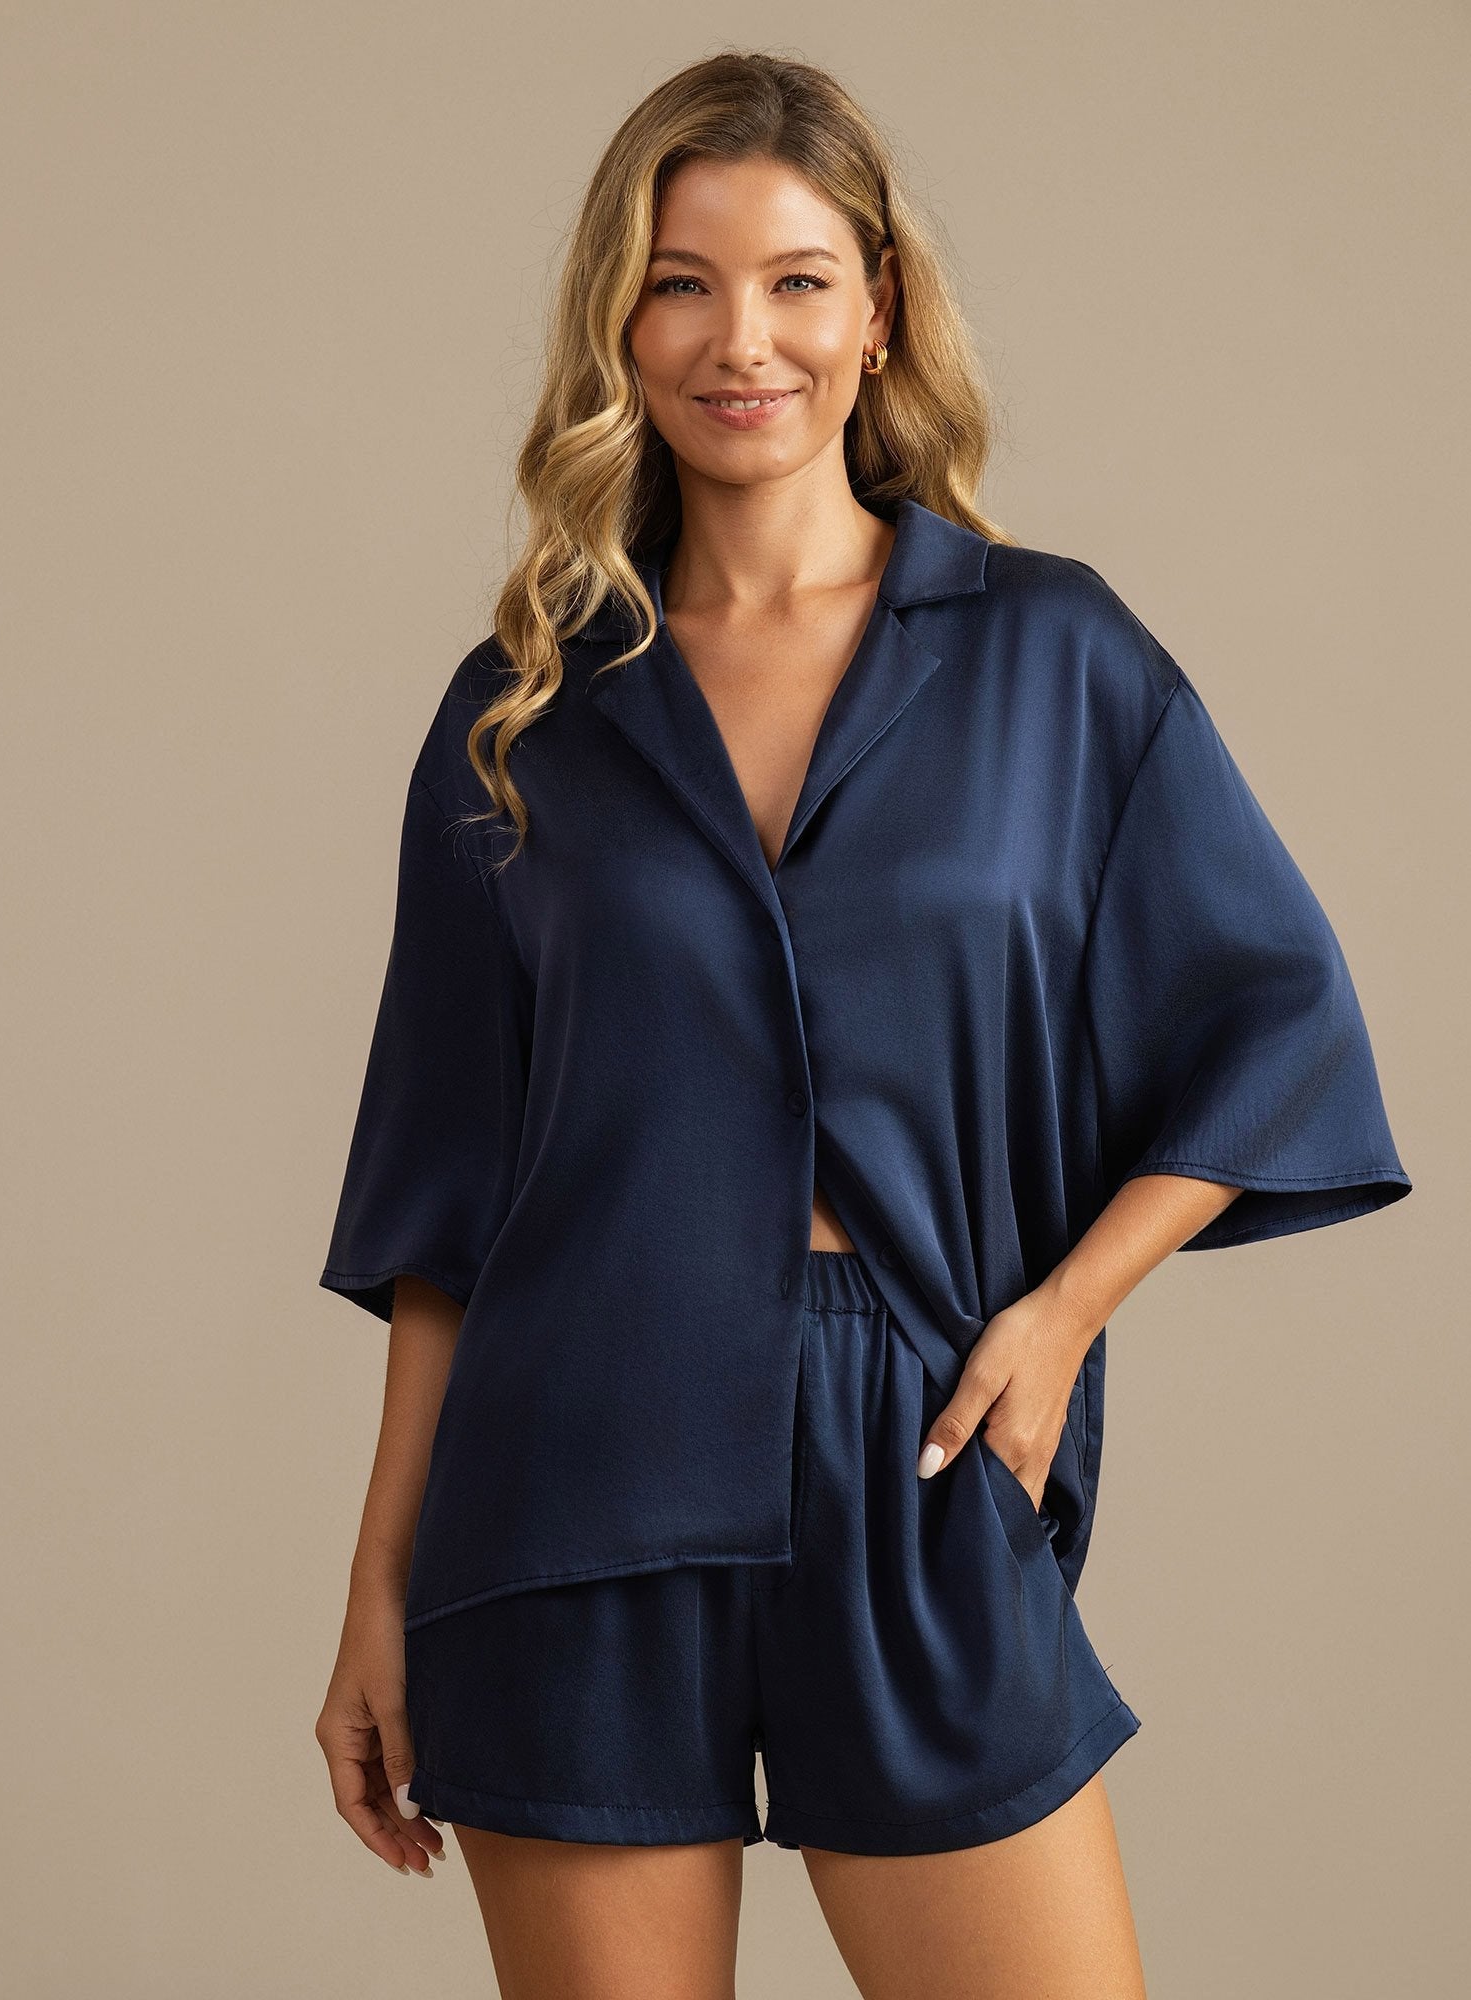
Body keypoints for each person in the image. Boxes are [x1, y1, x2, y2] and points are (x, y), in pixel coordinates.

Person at [313, 50, 1412, 2000]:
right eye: (682, 284)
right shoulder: (523, 707)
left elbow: (1278, 1024)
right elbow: (446, 1201)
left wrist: (1062, 1315)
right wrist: (376, 1586)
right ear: (620, 325)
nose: (742, 338)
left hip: (917, 1438)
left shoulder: (1053, 657)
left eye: (798, 280)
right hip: (573, 1463)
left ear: (880, 310)